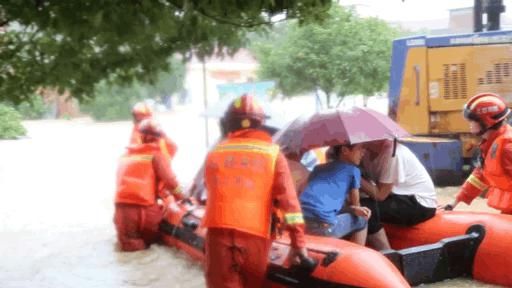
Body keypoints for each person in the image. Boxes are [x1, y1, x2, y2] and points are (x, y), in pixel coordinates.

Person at [203, 94, 311, 288]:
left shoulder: (215, 153)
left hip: (218, 236)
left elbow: (212, 190)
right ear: (260, 122)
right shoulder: (273, 154)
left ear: (229, 123)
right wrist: (299, 243)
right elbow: (290, 205)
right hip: (256, 236)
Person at [114, 119, 184, 252]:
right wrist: (181, 196)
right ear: (159, 138)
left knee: (131, 249)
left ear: (139, 137)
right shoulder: (156, 156)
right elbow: (171, 182)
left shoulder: (124, 156)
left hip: (122, 210)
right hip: (146, 210)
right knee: (151, 247)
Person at [441, 93, 512, 214]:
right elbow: (480, 175)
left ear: (486, 122)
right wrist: (455, 202)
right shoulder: (491, 143)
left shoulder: (507, 147)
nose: (469, 124)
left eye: (473, 121)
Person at [359, 139, 437, 250]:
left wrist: (354, 176)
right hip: (398, 196)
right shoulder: (366, 152)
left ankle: (388, 254)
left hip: (419, 203)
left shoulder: (392, 153)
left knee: (365, 208)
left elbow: (381, 195)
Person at [300, 144, 371, 245]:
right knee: (362, 220)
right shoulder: (353, 171)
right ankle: (354, 257)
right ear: (345, 150)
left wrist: (352, 209)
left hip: (298, 220)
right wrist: (357, 209)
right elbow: (357, 207)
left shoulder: (318, 168)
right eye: (360, 148)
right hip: (323, 226)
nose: (363, 152)